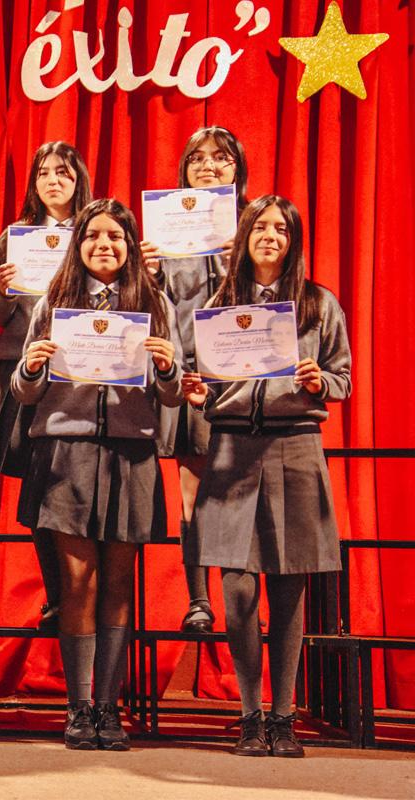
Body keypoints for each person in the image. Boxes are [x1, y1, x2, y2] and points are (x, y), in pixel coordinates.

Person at [182, 196, 351, 758]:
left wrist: (318, 382)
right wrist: (198, 392)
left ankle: (284, 717)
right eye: (261, 226)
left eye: (282, 228)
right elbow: (195, 373)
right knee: (237, 590)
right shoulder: (218, 305)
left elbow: (344, 378)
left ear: (293, 239)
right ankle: (248, 713)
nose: (271, 235)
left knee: (288, 588)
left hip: (295, 448)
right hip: (232, 447)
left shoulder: (318, 304)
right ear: (245, 235)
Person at [12, 199, 182, 750]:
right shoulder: (54, 304)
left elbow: (174, 394)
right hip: (67, 449)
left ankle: (110, 708)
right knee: (77, 583)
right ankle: (79, 708)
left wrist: (165, 368)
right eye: (92, 237)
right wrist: (32, 366)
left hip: (131, 453)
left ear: (131, 245)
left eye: (115, 236)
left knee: (116, 583)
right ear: (77, 244)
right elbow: (23, 391)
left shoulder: (154, 304)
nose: (103, 245)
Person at [142, 126, 249, 634]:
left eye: (221, 158)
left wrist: (241, 258)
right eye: (197, 159)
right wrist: (151, 275)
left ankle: (242, 601)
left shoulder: (257, 225)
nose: (208, 167)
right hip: (190, 376)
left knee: (239, 488)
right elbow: (155, 309)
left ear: (237, 168)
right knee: (192, 491)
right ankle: (199, 601)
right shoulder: (166, 230)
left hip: (245, 373)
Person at [0, 141, 93, 632]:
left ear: (78, 181)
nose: (53, 181)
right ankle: (55, 597)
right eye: (44, 173)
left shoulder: (96, 232)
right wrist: (1, 290)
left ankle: (79, 599)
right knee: (35, 488)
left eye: (63, 173)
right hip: (22, 370)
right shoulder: (15, 236)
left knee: (71, 484)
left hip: (78, 370)